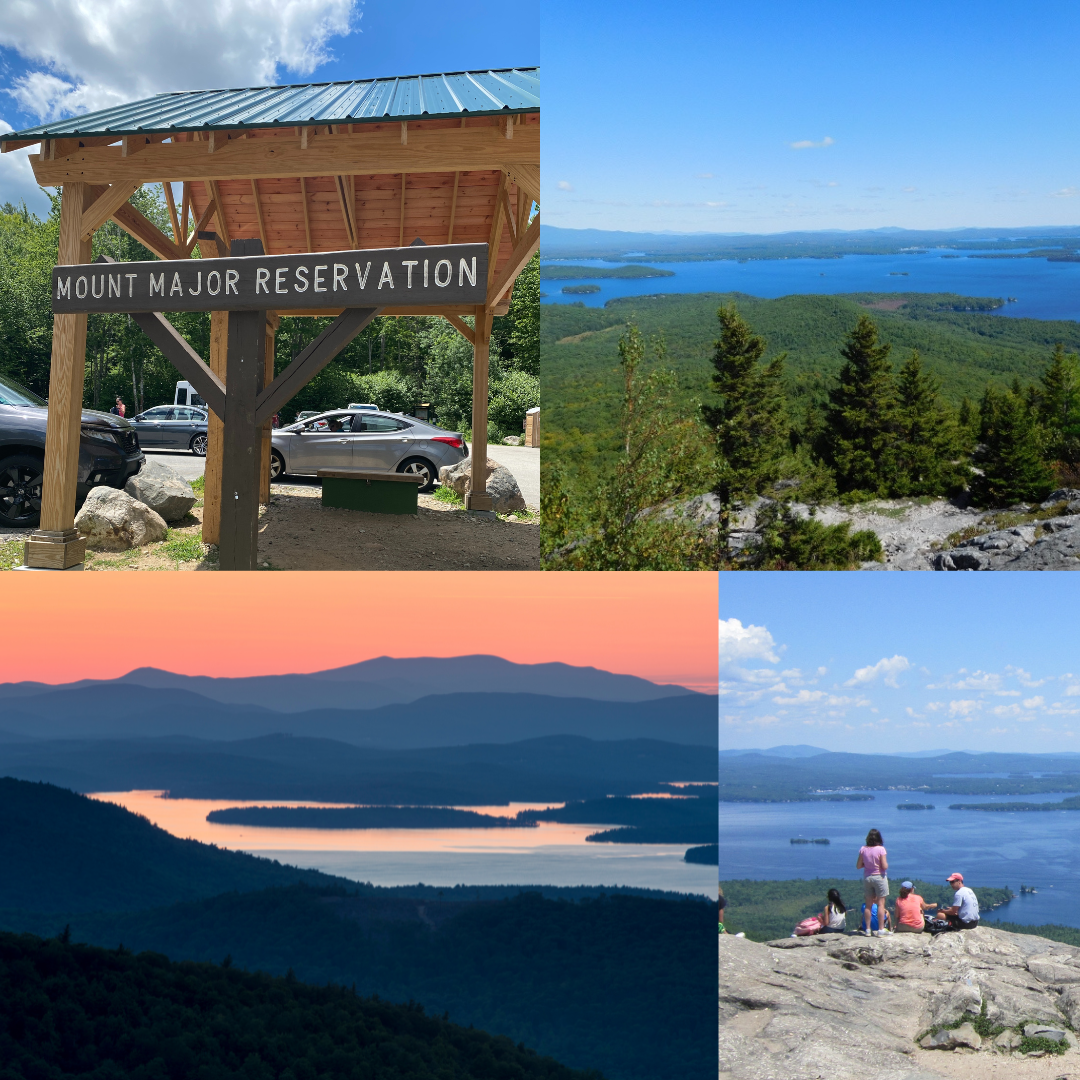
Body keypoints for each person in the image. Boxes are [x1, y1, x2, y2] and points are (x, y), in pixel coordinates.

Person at [856, 828, 890, 936]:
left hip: (867, 877)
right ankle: (880, 929)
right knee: (881, 904)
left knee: (868, 905)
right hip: (879, 877)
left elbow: (858, 866)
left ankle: (867, 930)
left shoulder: (863, 849)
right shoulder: (881, 849)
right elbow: (884, 866)